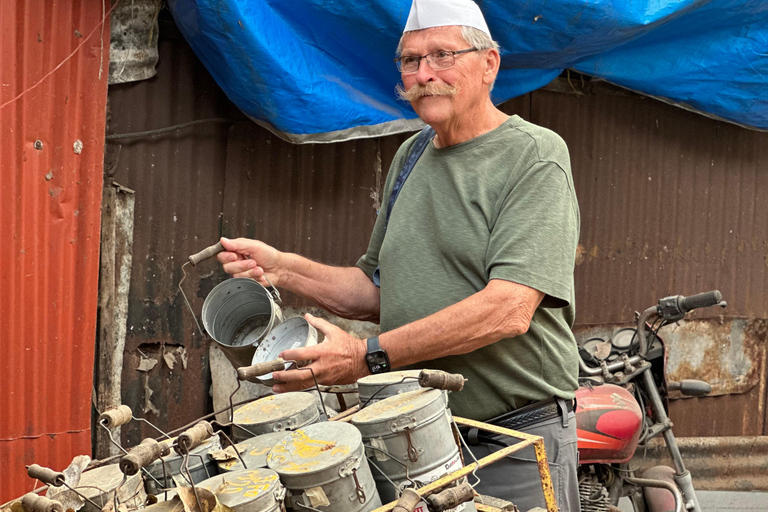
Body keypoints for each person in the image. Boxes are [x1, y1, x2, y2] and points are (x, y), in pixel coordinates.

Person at [217, 0, 580, 509]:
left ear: (489, 64)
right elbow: (379, 290)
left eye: (442, 56)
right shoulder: (411, 156)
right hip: (417, 435)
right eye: (410, 61)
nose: (424, 74)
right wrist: (282, 268)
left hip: (509, 439)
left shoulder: (533, 156)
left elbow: (509, 309)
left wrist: (366, 357)